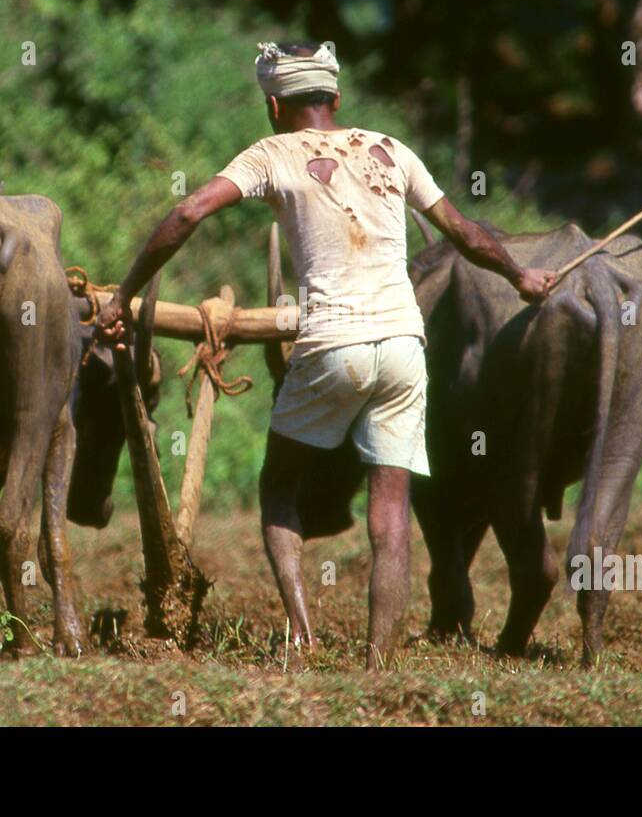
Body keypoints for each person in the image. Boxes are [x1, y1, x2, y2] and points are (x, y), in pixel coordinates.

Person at [97, 41, 556, 668]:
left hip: (330, 343)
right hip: (402, 345)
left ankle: (303, 633)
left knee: (279, 484)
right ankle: (377, 663)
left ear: (272, 106)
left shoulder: (272, 152)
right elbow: (467, 233)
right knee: (389, 508)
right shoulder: (391, 149)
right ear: (335, 98)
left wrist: (123, 294)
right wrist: (520, 276)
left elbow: (187, 211)